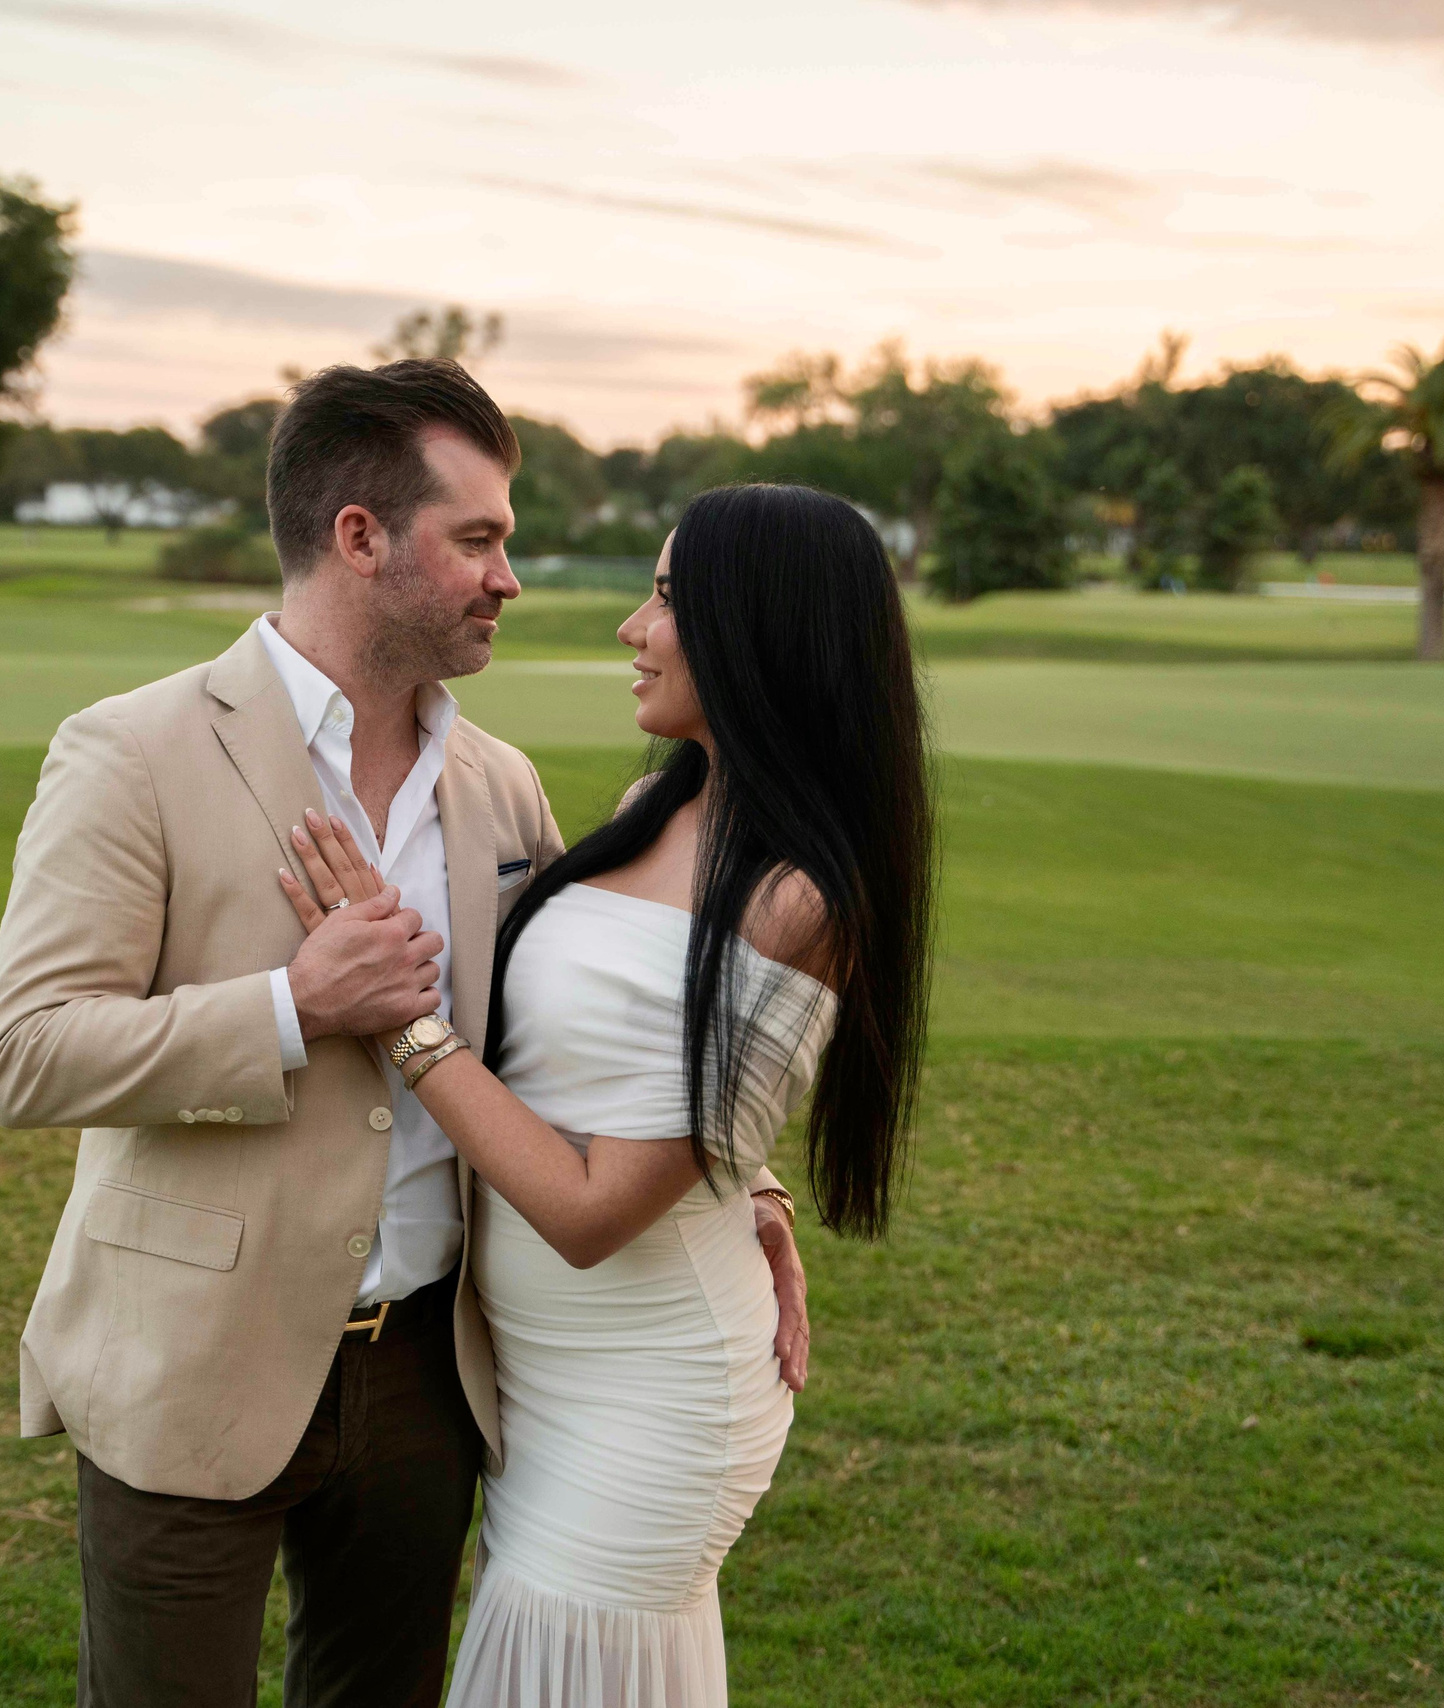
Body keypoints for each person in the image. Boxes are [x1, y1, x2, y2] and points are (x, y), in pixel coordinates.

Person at [0, 359, 809, 1708]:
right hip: (192, 1352)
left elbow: (587, 1028)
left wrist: (746, 1178)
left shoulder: (501, 786)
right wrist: (294, 1009)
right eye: (476, 539)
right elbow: (27, 1055)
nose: (509, 578)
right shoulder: (130, 752)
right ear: (361, 538)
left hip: (432, 1369)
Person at [274, 483, 932, 1707]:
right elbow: (612, 1056)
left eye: (670, 598)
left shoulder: (799, 895)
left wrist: (399, 1024)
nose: (634, 627)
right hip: (541, 1382)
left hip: (651, 1390)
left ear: (758, 626)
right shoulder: (658, 805)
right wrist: (756, 1179)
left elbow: (590, 1208)